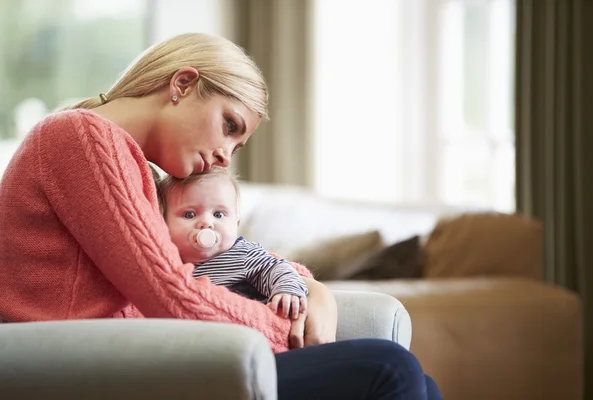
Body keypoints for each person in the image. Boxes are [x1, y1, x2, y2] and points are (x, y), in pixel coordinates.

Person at [0, 32, 442, 399]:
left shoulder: (132, 167)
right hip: (97, 372)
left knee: (420, 382)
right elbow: (172, 294)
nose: (223, 157)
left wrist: (306, 286)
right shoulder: (80, 138)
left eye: (237, 146)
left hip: (143, 359)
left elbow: (213, 259)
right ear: (183, 84)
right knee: (389, 367)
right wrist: (285, 325)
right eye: (229, 125)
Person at [157, 167, 308, 319]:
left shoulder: (243, 254)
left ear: (236, 225)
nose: (207, 223)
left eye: (218, 214)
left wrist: (286, 290)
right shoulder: (167, 262)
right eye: (189, 214)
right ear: (164, 223)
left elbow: (276, 268)